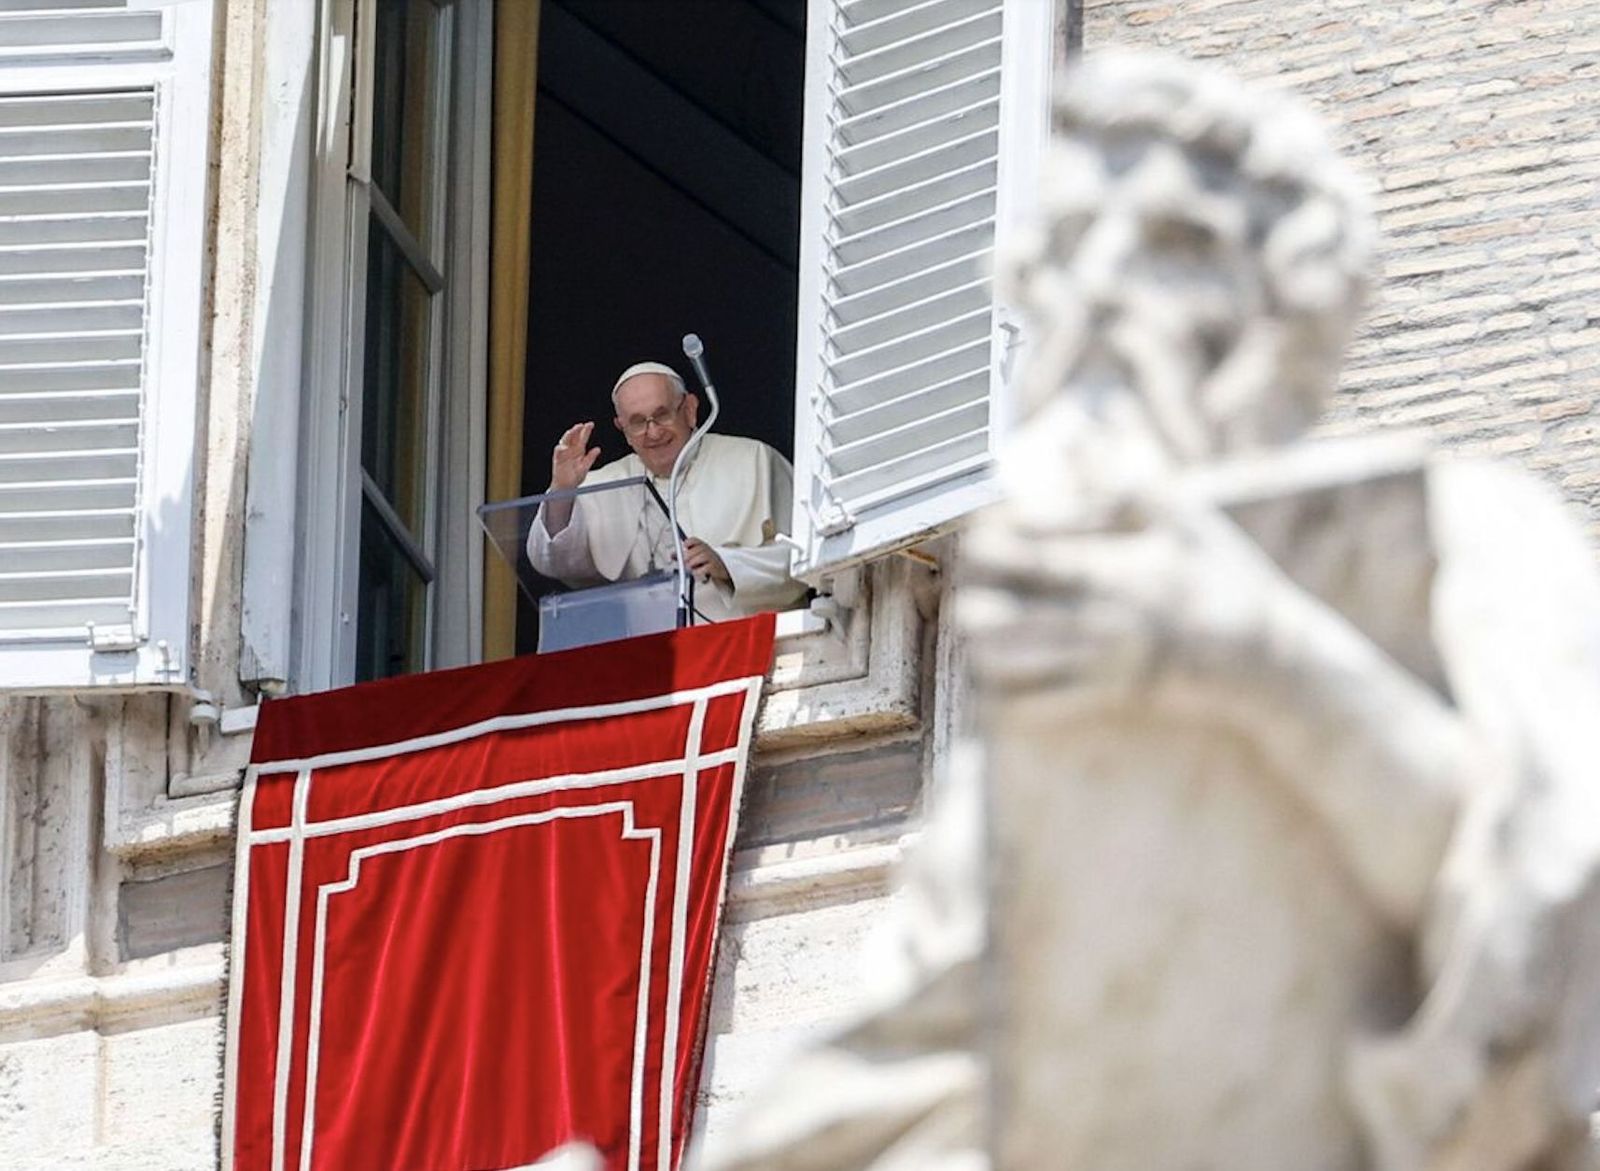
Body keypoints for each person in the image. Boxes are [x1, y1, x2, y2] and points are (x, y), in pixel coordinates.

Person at [525, 361, 807, 621]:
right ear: (621, 428)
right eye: (638, 422)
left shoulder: (753, 460)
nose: (654, 432)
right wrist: (561, 490)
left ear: (689, 409)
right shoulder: (602, 483)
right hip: (650, 658)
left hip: (747, 648)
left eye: (662, 415)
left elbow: (805, 561)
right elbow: (554, 562)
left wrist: (728, 565)